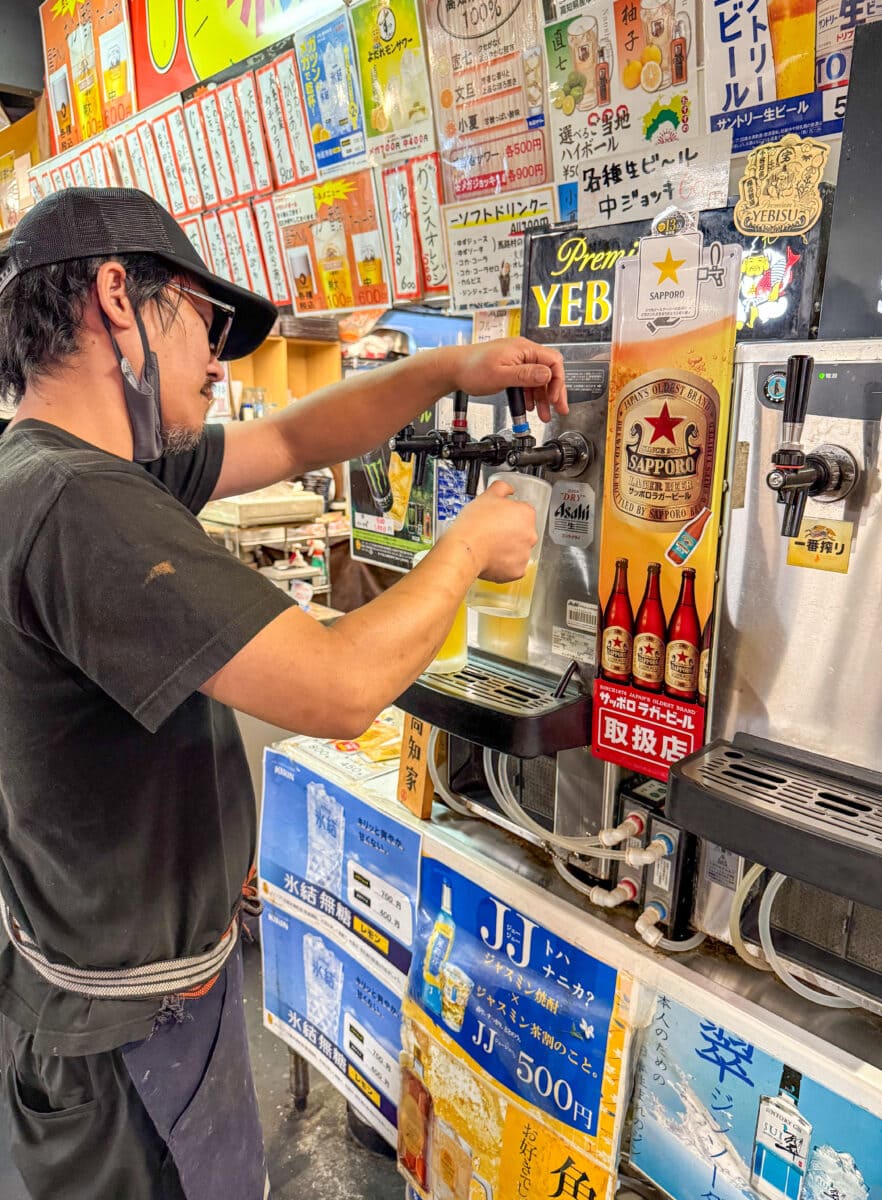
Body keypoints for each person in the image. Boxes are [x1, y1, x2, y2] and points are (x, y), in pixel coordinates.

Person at [0, 188, 567, 1200]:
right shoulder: (83, 504)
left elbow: (301, 441)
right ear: (117, 299)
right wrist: (471, 544)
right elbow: (341, 686)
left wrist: (451, 367)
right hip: (132, 1038)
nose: (222, 360)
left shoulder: (55, 469)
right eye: (207, 324)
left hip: (101, 1000)